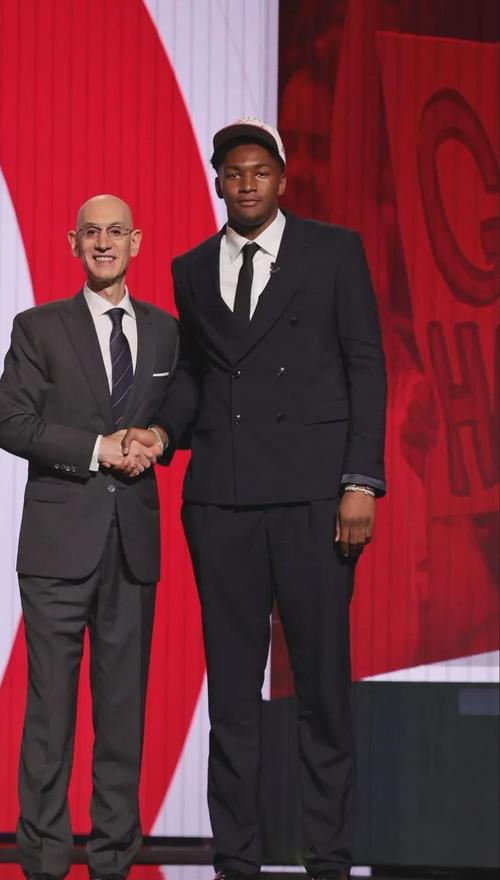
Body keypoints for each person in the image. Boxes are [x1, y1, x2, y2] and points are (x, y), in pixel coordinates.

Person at [123, 118, 387, 880]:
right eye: (234, 173)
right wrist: (162, 434)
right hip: (222, 503)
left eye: (259, 171)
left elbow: (365, 366)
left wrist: (360, 481)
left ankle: (328, 855)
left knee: (322, 687)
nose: (247, 184)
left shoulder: (332, 252)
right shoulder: (191, 268)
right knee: (233, 694)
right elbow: (197, 379)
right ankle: (235, 856)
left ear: (281, 178)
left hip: (314, 500)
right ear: (218, 181)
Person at [0, 194, 178, 880]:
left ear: (137, 241)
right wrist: (99, 449)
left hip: (132, 546)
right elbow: (10, 423)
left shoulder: (165, 332)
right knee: (50, 717)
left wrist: (158, 438)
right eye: (91, 233)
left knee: (123, 718)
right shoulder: (38, 327)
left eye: (115, 232)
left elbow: (183, 410)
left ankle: (113, 863)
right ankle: (44, 863)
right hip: (56, 549)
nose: (104, 243)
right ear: (73, 243)